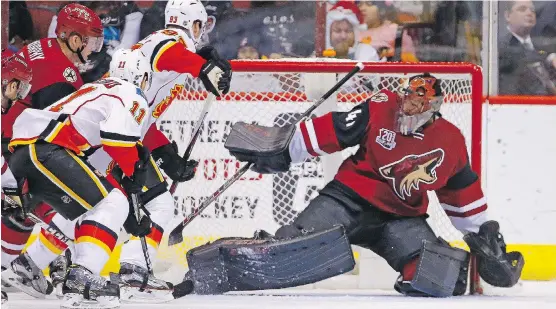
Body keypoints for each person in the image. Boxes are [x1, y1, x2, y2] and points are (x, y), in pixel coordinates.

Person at [187, 73, 525, 297]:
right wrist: (284, 150)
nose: (409, 104)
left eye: (419, 102)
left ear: (434, 107)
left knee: (441, 274)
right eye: (408, 96)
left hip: (401, 220)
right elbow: (333, 131)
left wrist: (485, 236)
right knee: (291, 251)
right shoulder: (380, 108)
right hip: (347, 201)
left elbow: (460, 192)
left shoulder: (449, 140)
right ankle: (219, 263)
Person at [11, 0, 232, 302]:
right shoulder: (168, 42)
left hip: (79, 141)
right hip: (105, 141)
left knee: (92, 203)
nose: (201, 31)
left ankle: (32, 261)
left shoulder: (122, 84)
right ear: (191, 22)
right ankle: (129, 271)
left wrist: (166, 154)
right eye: (200, 24)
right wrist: (201, 66)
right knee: (150, 204)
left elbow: (139, 120)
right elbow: (165, 54)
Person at [7, 49, 153, 309]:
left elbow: (99, 164)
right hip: (48, 149)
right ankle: (82, 277)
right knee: (113, 202)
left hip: (27, 153)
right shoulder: (132, 93)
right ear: (140, 77)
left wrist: (131, 195)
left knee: (88, 205)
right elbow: (118, 144)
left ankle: (29, 266)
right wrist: (133, 182)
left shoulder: (98, 89)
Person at [1, 3, 104, 298]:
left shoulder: (46, 46)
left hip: (12, 139)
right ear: (74, 39)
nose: (94, 49)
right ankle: (46, 260)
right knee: (53, 199)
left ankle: (41, 260)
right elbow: (60, 129)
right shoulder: (62, 74)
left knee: (24, 207)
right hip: (15, 143)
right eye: (91, 41)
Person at [498, 0, 556, 95]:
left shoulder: (543, 44)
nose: (529, 13)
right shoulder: (501, 47)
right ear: (508, 16)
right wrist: (549, 58)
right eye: (522, 9)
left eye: (532, 10)